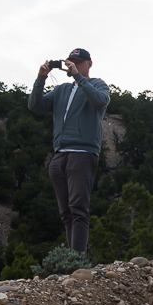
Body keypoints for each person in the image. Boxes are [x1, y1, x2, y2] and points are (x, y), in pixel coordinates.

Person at [28, 48, 110, 253]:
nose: (72, 65)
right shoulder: (61, 90)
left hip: (82, 154)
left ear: (89, 64)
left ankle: (77, 261)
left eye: (78, 62)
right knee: (65, 212)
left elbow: (100, 101)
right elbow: (34, 105)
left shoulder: (97, 85)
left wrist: (79, 78)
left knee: (78, 209)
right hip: (59, 155)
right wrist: (41, 78)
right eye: (70, 61)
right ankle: (71, 260)